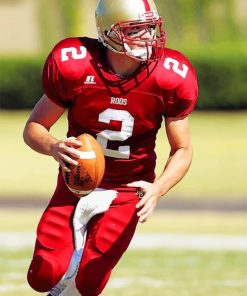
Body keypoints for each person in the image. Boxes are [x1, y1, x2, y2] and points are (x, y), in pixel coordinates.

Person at [23, 0, 198, 295]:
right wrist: (53, 147)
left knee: (90, 283)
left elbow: (183, 149)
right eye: (135, 28)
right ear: (109, 33)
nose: (148, 35)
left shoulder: (170, 75)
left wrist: (158, 188)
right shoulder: (75, 64)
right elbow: (34, 128)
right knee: (42, 275)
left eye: (150, 26)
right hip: (77, 181)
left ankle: (78, 268)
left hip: (130, 187)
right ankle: (69, 263)